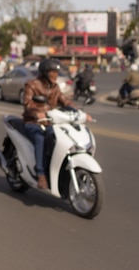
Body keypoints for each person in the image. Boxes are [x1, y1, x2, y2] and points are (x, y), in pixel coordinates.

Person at [23, 58, 89, 190]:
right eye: (53, 72)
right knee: (40, 138)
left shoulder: (55, 87)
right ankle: (41, 173)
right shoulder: (32, 84)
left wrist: (79, 112)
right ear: (46, 73)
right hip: (33, 121)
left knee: (59, 138)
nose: (55, 75)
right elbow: (27, 103)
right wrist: (37, 113)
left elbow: (65, 101)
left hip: (51, 121)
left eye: (57, 73)